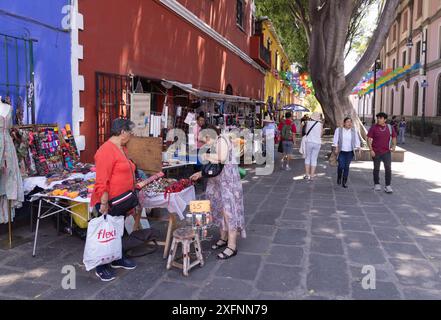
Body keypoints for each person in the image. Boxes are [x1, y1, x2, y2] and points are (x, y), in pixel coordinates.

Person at [91, 118, 138, 281]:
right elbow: (101, 181)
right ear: (123, 132)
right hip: (109, 201)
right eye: (130, 133)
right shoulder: (106, 150)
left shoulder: (122, 148)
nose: (131, 136)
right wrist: (103, 203)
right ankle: (100, 265)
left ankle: (117, 257)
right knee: (105, 233)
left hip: (121, 200)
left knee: (117, 230)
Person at [190, 125, 245, 260]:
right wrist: (200, 173)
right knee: (220, 210)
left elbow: (222, 158)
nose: (203, 144)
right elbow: (213, 166)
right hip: (218, 183)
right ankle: (223, 238)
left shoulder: (223, 140)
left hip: (228, 183)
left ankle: (232, 246)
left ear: (209, 136)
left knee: (228, 212)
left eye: (204, 141)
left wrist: (206, 155)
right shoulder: (215, 143)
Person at [367, 112, 397, 194]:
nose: (378, 119)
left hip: (386, 152)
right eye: (378, 118)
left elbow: (394, 137)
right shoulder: (374, 127)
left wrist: (394, 146)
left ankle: (388, 185)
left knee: (388, 168)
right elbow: (369, 139)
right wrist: (371, 150)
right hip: (376, 152)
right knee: (376, 168)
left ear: (385, 119)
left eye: (380, 118)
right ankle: (377, 184)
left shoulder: (390, 128)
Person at [332, 117, 361, 188]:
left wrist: (358, 147)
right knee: (341, 166)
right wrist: (336, 147)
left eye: (351, 122)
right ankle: (339, 176)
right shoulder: (339, 130)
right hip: (341, 151)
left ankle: (344, 182)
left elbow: (357, 139)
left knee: (346, 167)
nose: (349, 123)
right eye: (348, 122)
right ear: (344, 123)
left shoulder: (354, 131)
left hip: (350, 152)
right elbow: (335, 139)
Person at [303, 112, 323, 181]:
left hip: (309, 142)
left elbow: (306, 132)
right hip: (317, 143)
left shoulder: (308, 123)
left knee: (307, 158)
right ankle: (312, 176)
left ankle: (306, 175)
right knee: (314, 159)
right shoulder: (320, 124)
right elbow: (320, 135)